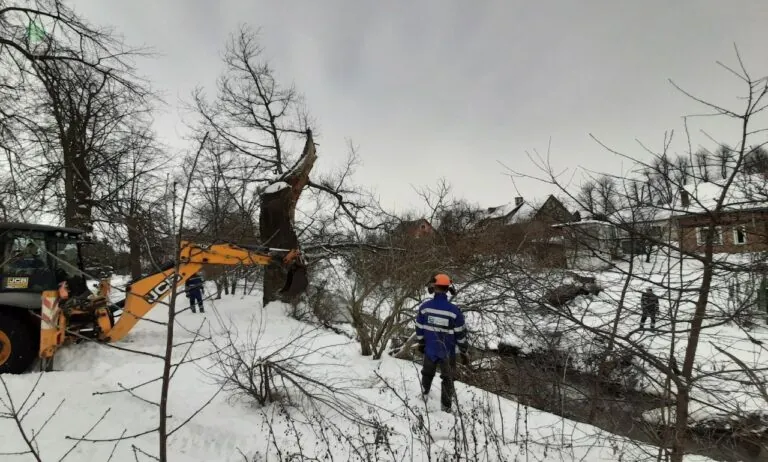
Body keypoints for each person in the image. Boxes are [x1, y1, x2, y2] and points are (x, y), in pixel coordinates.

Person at [415, 273, 468, 412]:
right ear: (448, 288)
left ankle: (424, 396)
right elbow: (460, 334)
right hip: (448, 352)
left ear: (433, 287)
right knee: (448, 378)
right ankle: (446, 407)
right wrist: (463, 350)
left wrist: (421, 343)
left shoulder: (425, 307)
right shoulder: (454, 311)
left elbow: (419, 328)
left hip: (430, 349)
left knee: (427, 373)